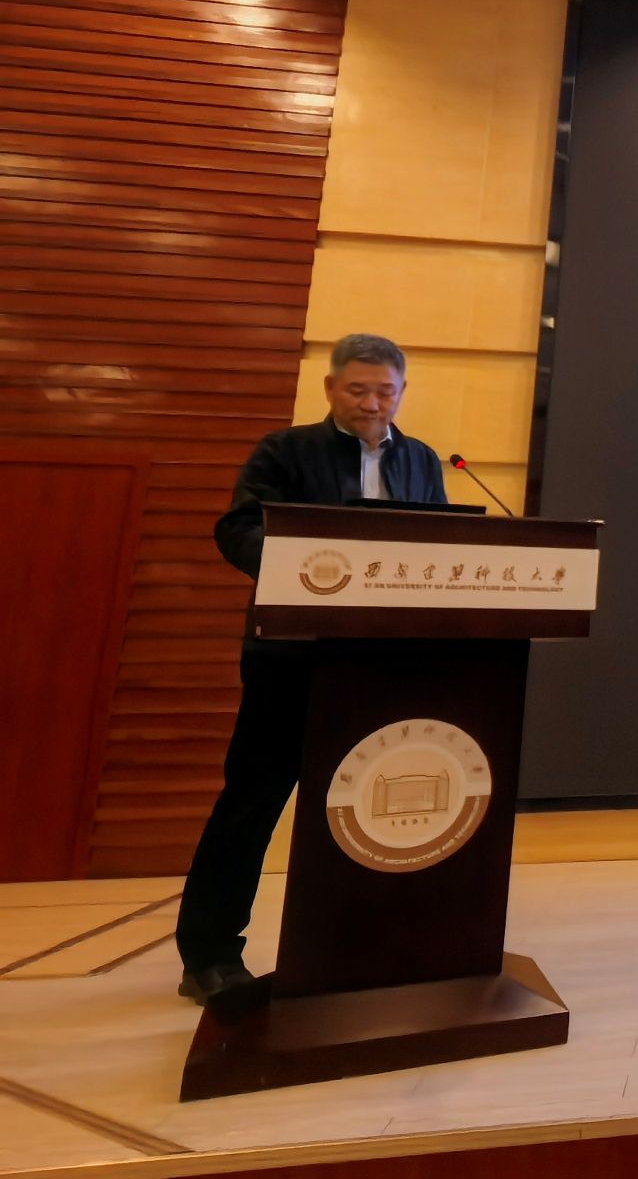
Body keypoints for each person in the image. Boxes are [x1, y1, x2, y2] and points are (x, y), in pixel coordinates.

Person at [174, 333, 449, 1017]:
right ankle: (209, 955)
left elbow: (437, 546)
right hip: (291, 657)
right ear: (330, 388)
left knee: (367, 806)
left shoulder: (420, 460)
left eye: (386, 391)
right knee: (253, 801)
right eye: (359, 389)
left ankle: (354, 944)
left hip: (381, 661)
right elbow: (237, 529)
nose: (373, 403)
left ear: (401, 393)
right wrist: (312, 568)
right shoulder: (284, 451)